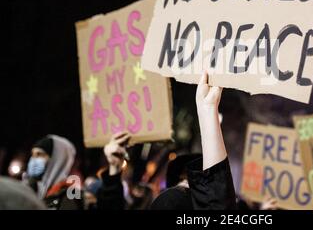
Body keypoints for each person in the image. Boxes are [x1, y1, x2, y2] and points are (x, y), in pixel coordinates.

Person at [98, 71, 236, 210]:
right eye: (182, 178)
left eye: (196, 182)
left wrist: (208, 110)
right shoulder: (171, 200)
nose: (185, 183)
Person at [23, 134, 81, 209]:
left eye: (40, 154)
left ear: (57, 160)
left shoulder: (70, 195)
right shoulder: (27, 188)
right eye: (33, 155)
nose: (33, 159)